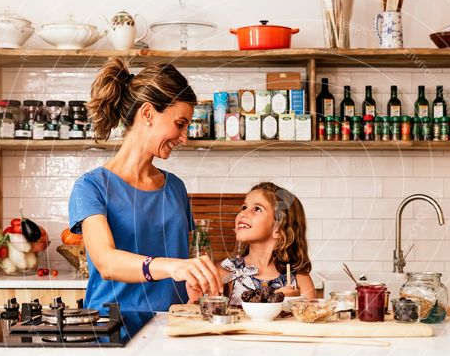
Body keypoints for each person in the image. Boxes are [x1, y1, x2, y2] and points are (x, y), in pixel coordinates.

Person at [68, 58, 222, 316]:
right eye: (180, 124)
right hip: (113, 328)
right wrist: (173, 267)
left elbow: (185, 262)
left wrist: (195, 282)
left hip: (171, 325)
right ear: (148, 114)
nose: (184, 137)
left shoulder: (175, 188)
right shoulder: (91, 186)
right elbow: (105, 261)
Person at [209, 181, 316, 306]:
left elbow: (311, 320)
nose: (243, 213)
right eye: (244, 207)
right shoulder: (226, 271)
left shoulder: (299, 279)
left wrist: (289, 302)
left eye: (257, 209)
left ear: (279, 230)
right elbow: (206, 318)